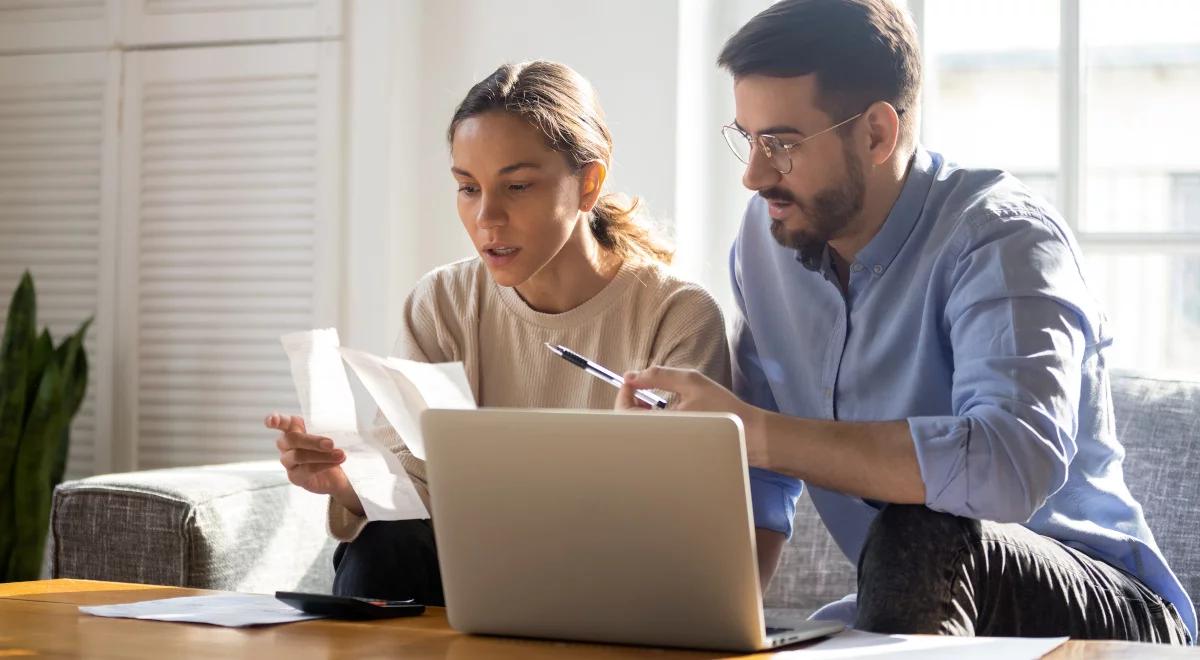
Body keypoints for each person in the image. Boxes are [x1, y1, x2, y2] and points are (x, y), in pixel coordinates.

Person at [617, 0, 1193, 643]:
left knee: (920, 526)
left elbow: (1010, 463)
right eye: (746, 140)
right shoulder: (768, 238)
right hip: (910, 601)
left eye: (780, 144)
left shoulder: (1003, 239)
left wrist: (755, 431)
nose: (754, 175)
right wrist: (717, 631)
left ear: (877, 133)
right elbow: (760, 479)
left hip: (1109, 610)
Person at [265, 60, 731, 605]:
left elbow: (684, 529)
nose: (488, 217)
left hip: (611, 582)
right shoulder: (441, 302)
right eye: (468, 188)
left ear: (589, 183)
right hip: (472, 582)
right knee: (384, 546)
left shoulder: (677, 315)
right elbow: (413, 491)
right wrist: (343, 482)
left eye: (517, 186)